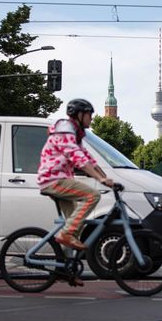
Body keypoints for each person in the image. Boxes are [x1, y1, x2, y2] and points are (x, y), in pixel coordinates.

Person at [37, 98, 114, 253]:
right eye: (89, 115)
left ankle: (66, 270)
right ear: (79, 114)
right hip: (54, 180)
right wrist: (99, 179)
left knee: (76, 224)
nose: (91, 119)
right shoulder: (65, 130)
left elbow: (88, 157)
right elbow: (77, 157)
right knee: (93, 196)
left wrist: (106, 178)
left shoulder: (74, 134)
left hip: (59, 179)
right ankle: (66, 234)